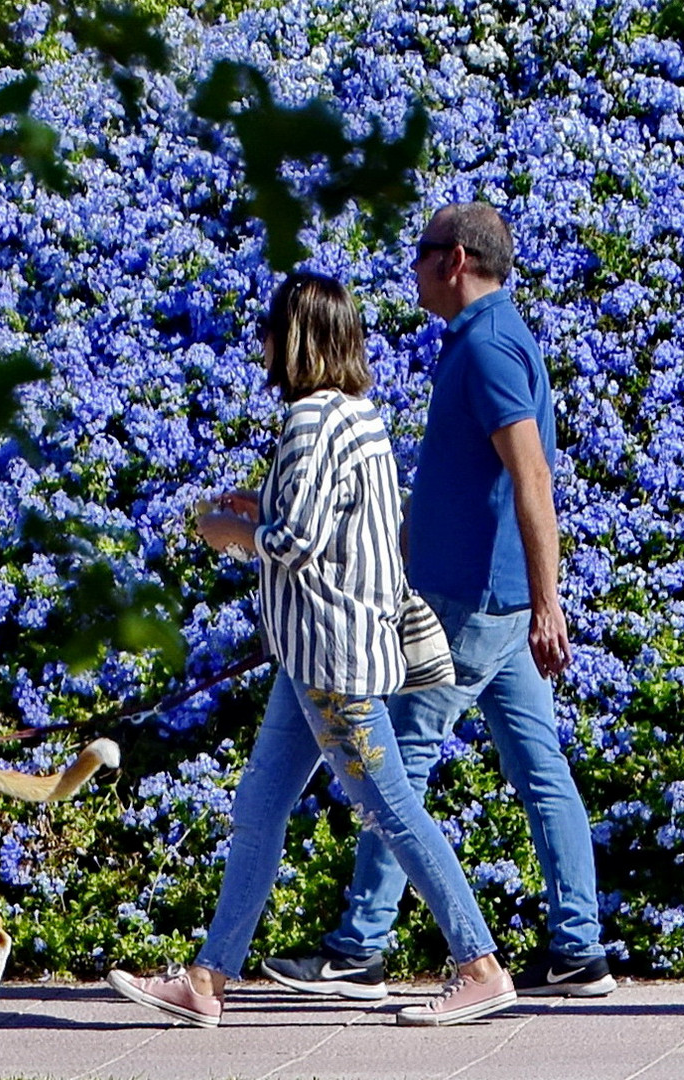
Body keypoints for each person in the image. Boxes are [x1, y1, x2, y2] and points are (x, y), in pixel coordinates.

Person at [106, 272, 516, 1028]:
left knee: (392, 808)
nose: (261, 342)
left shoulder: (304, 423)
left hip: (328, 660)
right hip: (323, 654)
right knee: (258, 808)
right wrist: (264, 507)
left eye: (270, 329)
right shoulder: (359, 416)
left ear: (293, 339)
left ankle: (479, 964)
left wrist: (231, 534)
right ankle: (206, 980)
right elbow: (350, 520)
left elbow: (295, 543)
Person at [262, 202, 614, 1000]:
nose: (411, 270)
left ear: (453, 259)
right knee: (539, 767)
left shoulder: (487, 348)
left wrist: (548, 600)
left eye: (419, 255)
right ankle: (576, 949)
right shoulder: (488, 340)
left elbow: (530, 477)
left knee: (398, 762)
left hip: (470, 600)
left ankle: (360, 946)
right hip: (495, 599)